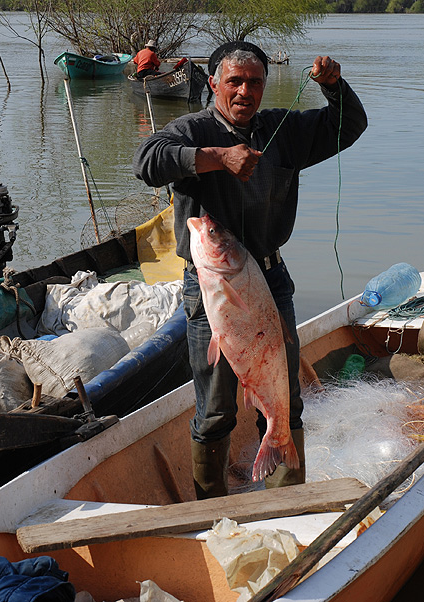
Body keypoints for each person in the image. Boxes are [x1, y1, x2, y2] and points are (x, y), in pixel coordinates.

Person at [132, 41, 367, 499]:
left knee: (283, 401)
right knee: (216, 408)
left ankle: (288, 500)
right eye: (234, 81)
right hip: (212, 289)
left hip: (270, 281)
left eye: (254, 82)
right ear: (214, 83)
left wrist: (334, 88)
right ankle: (210, 508)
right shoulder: (189, 129)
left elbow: (348, 126)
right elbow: (147, 162)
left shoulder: (284, 129)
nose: (244, 91)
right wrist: (217, 157)